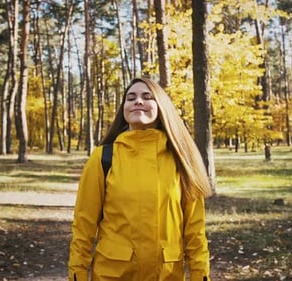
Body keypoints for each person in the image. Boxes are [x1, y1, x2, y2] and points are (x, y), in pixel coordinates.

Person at [68, 77, 212, 281]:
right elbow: (83, 226)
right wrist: (77, 274)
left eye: (147, 96)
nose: (138, 101)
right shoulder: (103, 158)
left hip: (166, 276)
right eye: (130, 97)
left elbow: (195, 231)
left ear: (161, 107)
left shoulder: (181, 160)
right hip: (113, 275)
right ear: (124, 109)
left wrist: (201, 275)